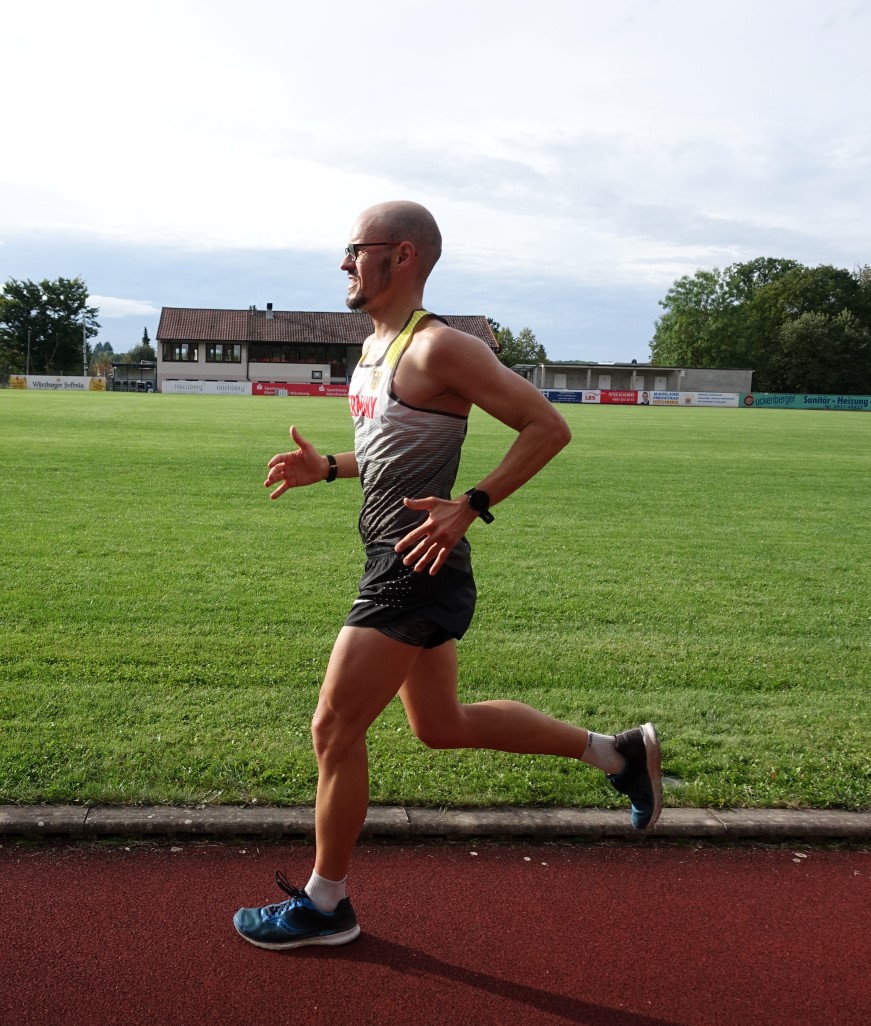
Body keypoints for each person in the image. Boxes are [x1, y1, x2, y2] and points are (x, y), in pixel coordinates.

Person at [233, 201, 661, 950]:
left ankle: (325, 903)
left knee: (333, 726)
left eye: (353, 249)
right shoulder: (375, 349)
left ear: (399, 255)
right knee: (440, 725)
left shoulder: (439, 348)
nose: (343, 262)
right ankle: (618, 754)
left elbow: (548, 427)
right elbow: (395, 448)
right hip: (399, 556)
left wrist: (472, 503)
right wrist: (332, 466)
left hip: (414, 567)